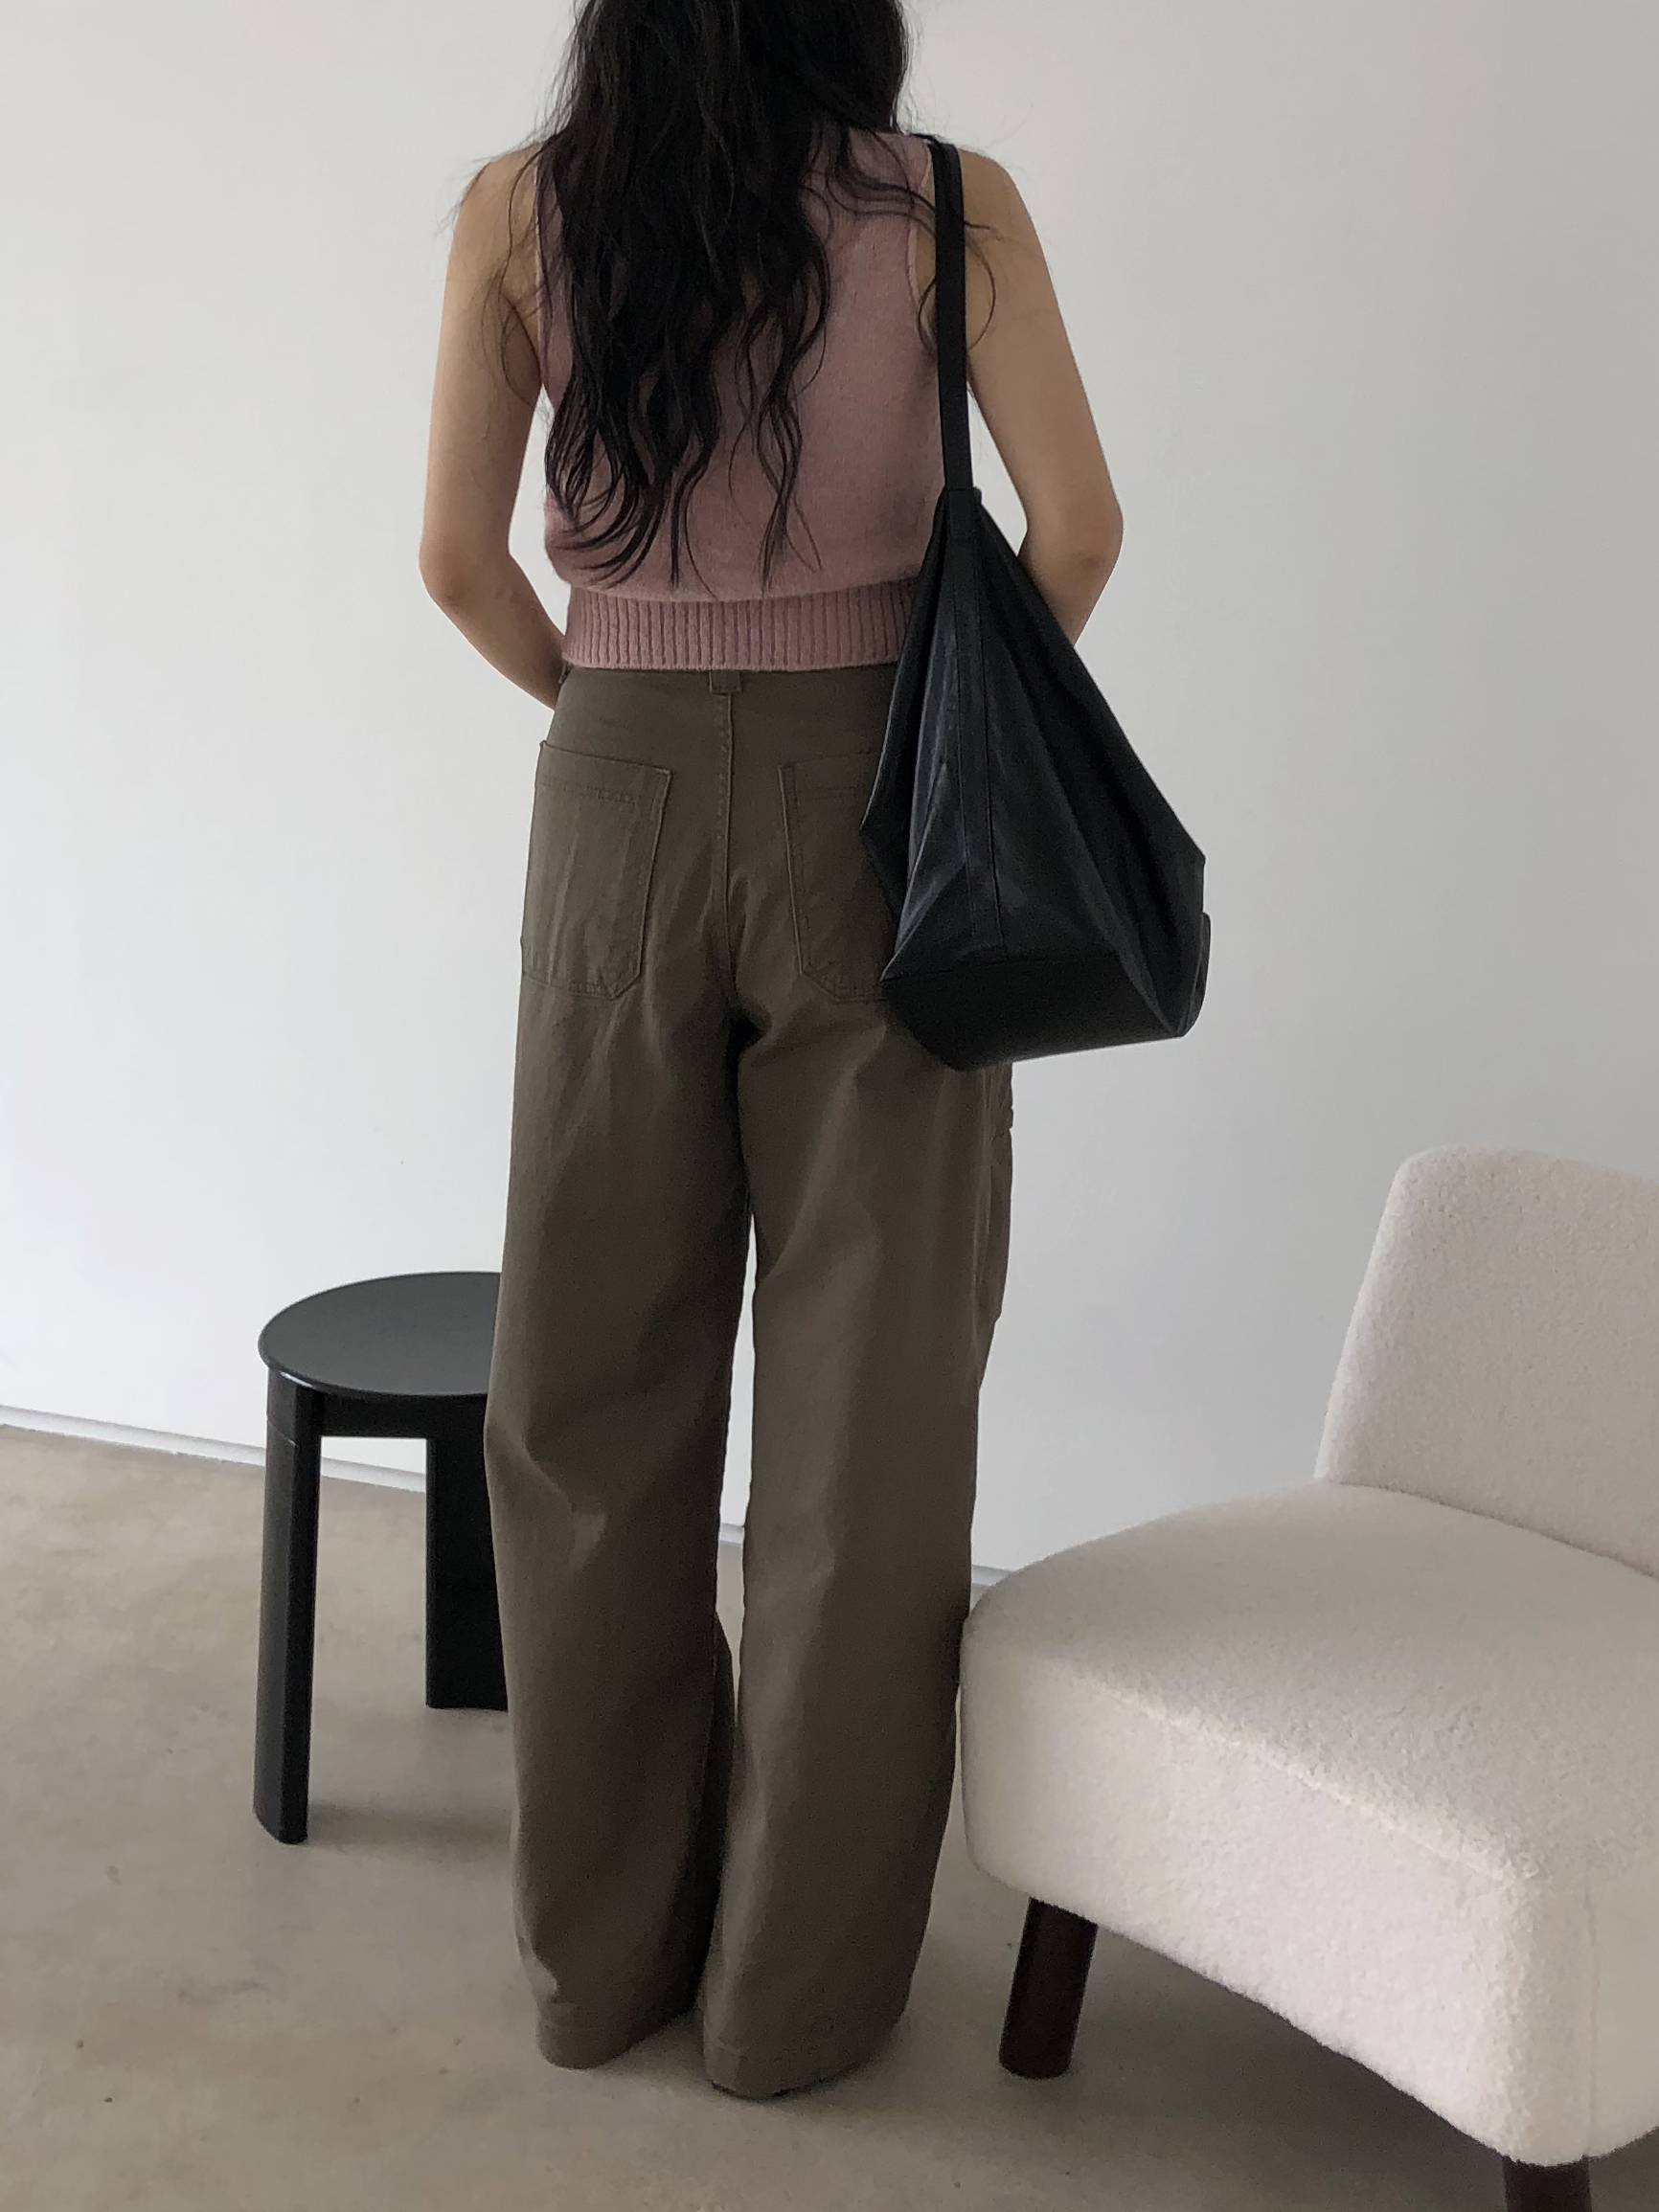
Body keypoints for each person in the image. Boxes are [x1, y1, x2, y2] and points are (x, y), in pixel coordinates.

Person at [419, 0, 1122, 2102]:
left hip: (613, 792)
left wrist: (611, 706)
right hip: (881, 819)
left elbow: (454, 561)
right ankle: (788, 2010)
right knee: (865, 1432)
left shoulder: (523, 212)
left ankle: (596, 1968)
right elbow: (1077, 530)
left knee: (585, 1402)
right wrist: (941, 744)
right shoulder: (945, 209)